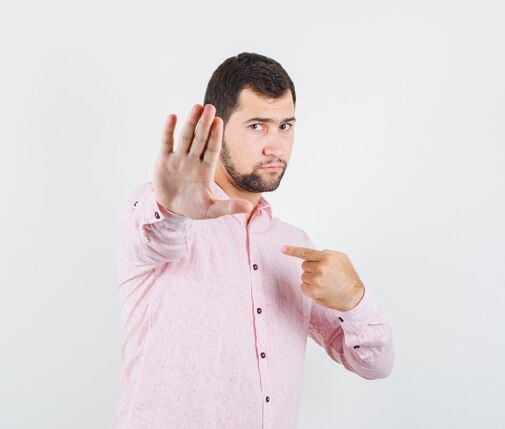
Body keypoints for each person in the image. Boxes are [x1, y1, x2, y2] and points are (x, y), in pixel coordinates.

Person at [110, 52, 394, 429]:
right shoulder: (159, 215)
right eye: (258, 126)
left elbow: (375, 365)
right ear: (216, 127)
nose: (276, 147)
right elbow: (157, 236)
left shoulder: (293, 247)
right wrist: (171, 207)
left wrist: (354, 300)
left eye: (286, 126)